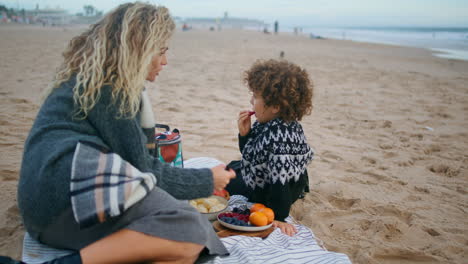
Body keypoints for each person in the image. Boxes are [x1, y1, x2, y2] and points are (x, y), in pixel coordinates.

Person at [7, 3, 235, 264]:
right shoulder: (112, 88)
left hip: (46, 200)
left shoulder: (92, 78)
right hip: (61, 208)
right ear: (139, 49)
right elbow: (147, 171)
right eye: (160, 51)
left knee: (182, 240)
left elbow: (137, 163)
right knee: (191, 230)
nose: (165, 61)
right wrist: (208, 179)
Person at [226, 59, 314, 236]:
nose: (251, 100)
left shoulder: (282, 139)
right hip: (267, 177)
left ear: (275, 106)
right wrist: (245, 135)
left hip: (281, 189)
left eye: (256, 96)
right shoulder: (267, 122)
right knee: (230, 169)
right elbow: (251, 155)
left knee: (229, 181)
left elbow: (281, 183)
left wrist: (279, 217)